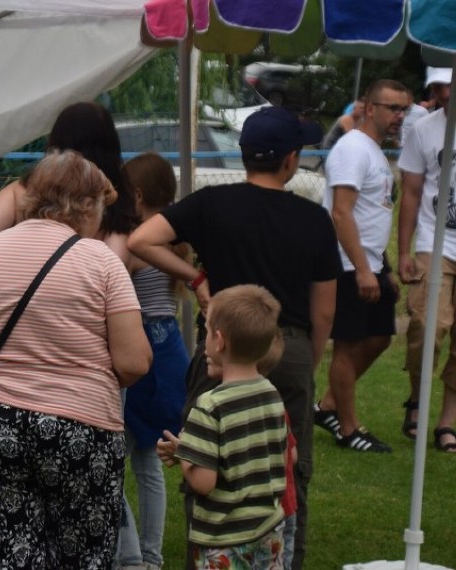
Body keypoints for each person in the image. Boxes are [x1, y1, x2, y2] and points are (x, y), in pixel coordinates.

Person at [128, 106, 341, 570]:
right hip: (289, 347)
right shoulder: (314, 220)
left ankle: (206, 558)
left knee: (206, 452)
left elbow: (140, 240)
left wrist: (196, 278)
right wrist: (309, 356)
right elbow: (324, 309)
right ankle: (283, 559)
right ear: (290, 160)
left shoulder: (210, 203)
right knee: (288, 463)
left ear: (243, 156)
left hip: (220, 351)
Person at [0, 150, 153, 569]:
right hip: (80, 427)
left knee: (10, 552)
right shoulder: (102, 263)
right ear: (88, 205)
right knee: (81, 555)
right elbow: (134, 362)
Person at [159, 285, 288, 569]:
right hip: (269, 529)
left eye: (205, 330)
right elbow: (275, 455)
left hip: (225, 540)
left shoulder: (209, 405)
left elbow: (204, 483)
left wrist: (187, 455)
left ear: (218, 341)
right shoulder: (271, 394)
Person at [314, 80, 407, 453]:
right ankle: (349, 429)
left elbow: (373, 215)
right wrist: (363, 270)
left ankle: (327, 405)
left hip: (369, 262)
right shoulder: (353, 149)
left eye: (404, 109)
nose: (399, 116)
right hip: (347, 265)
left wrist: (383, 268)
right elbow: (341, 212)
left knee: (380, 337)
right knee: (349, 347)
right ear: (369, 108)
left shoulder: (375, 151)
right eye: (392, 108)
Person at [117, 153, 190, 570]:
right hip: (167, 345)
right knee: (148, 461)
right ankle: (148, 555)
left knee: (119, 460)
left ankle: (135, 555)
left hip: (143, 345)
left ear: (138, 194)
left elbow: (117, 264)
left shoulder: (139, 238)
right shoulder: (172, 232)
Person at [0, 101, 138, 263]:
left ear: (56, 141)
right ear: (111, 147)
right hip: (83, 290)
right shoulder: (114, 198)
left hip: (18, 288)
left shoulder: (21, 189)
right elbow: (117, 259)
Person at [397, 66, 456, 452]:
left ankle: (448, 421)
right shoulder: (424, 130)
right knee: (425, 326)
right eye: (437, 84)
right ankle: (417, 400)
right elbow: (413, 193)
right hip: (436, 242)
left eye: (448, 83)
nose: (443, 91)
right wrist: (403, 250)